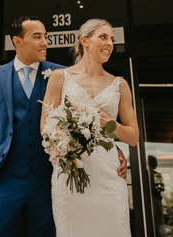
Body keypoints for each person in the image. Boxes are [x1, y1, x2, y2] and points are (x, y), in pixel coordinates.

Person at [0, 16, 128, 237]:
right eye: (38, 37)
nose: (45, 42)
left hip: (46, 178)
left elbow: (87, 116)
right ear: (18, 41)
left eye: (46, 36)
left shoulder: (63, 75)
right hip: (3, 179)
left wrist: (113, 149)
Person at [41, 19, 139, 237]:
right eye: (103, 37)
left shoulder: (120, 85)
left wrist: (109, 125)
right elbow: (45, 126)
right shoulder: (60, 77)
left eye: (112, 39)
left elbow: (133, 137)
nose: (109, 43)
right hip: (70, 174)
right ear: (84, 41)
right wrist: (64, 144)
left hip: (109, 175)